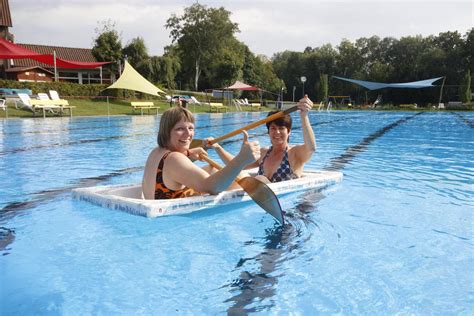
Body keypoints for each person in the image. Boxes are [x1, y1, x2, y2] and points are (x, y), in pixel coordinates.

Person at [142, 106, 261, 200]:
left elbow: (168, 172)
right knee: (242, 178)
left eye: (191, 128)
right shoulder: (174, 158)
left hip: (155, 210)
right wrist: (241, 160)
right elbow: (212, 187)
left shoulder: (156, 152)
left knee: (211, 169)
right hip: (172, 220)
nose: (188, 134)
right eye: (180, 129)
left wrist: (188, 154)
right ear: (166, 131)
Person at [206, 95, 316, 183]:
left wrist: (304, 116)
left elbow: (311, 148)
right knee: (216, 171)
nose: (277, 132)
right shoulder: (264, 153)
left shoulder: (295, 153)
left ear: (289, 131)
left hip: (289, 207)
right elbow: (236, 164)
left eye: (281, 128)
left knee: (260, 179)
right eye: (273, 128)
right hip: (262, 205)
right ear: (268, 132)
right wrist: (217, 147)